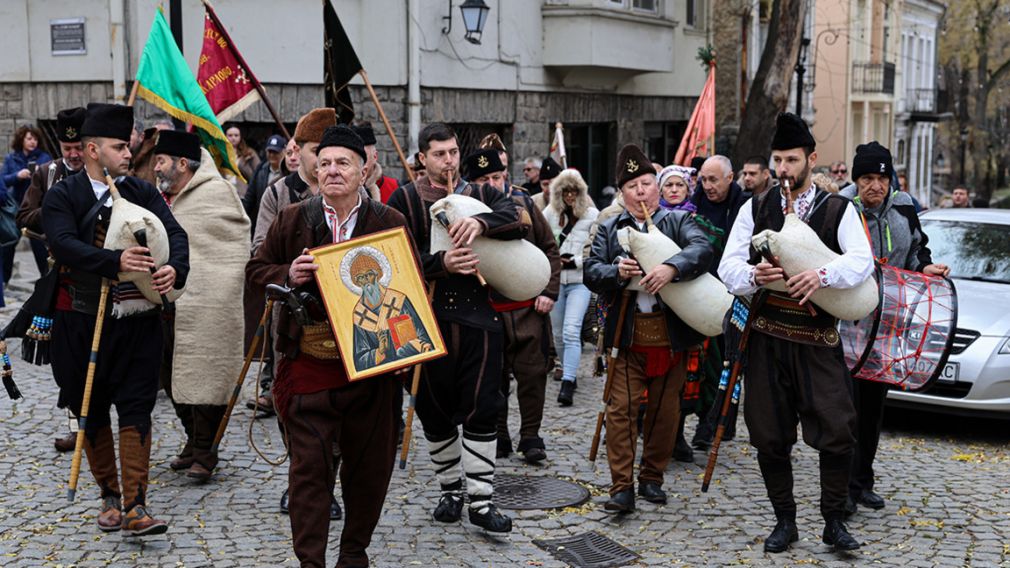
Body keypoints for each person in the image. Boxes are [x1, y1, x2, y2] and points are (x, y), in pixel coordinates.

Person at [247, 125, 405, 567]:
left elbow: (411, 292)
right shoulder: (294, 218)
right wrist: (286, 274)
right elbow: (256, 269)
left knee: (369, 472)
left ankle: (353, 555)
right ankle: (311, 563)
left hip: (374, 367)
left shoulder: (389, 223)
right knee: (309, 475)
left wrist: (405, 353)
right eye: (326, 162)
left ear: (364, 169)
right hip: (310, 363)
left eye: (343, 163)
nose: (332, 170)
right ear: (314, 168)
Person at [719, 112, 873, 553]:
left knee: (839, 430)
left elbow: (861, 261)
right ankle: (784, 521)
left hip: (817, 339)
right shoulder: (755, 206)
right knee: (768, 433)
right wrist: (755, 275)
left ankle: (834, 521)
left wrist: (821, 275)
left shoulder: (838, 209)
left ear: (811, 159)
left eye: (791, 159)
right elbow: (727, 266)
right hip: (767, 337)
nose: (783, 169)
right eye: (778, 160)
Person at [42, 102, 189, 536]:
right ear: (91, 150)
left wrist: (174, 268)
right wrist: (114, 259)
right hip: (80, 321)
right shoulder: (62, 196)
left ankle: (136, 504)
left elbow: (175, 234)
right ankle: (108, 493)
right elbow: (64, 244)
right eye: (120, 146)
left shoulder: (142, 194)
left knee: (137, 404)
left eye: (129, 146)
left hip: (137, 321)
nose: (129, 153)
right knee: (92, 405)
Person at [387, 123, 527, 532]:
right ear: (422, 159)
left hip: (479, 317)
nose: (448, 161)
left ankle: (481, 502)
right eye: (439, 154)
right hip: (425, 318)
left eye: (452, 153)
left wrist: (481, 224)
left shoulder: (479, 193)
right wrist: (441, 264)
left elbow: (517, 220)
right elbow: (398, 258)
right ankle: (451, 489)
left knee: (483, 405)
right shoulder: (405, 199)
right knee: (434, 410)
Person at [584, 144, 713, 514]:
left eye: (645, 183)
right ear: (621, 194)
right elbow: (591, 271)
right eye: (631, 186)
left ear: (656, 187)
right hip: (626, 336)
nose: (640, 191)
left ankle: (652, 478)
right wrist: (616, 274)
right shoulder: (610, 228)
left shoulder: (679, 222)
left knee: (664, 412)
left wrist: (672, 267)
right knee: (620, 410)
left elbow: (702, 250)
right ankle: (621, 487)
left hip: (671, 335)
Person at [838, 142, 948, 517]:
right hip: (846, 324)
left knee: (872, 408)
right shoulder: (840, 209)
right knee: (847, 409)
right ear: (856, 180)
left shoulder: (904, 207)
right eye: (867, 178)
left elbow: (918, 250)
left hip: (888, 325)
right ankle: (843, 488)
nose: (875, 186)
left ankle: (863, 481)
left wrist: (925, 267)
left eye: (881, 178)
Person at [151, 130, 249, 482]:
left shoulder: (216, 193)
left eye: (161, 161)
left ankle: (207, 450)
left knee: (207, 373)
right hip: (166, 303)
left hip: (208, 303)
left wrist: (214, 288)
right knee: (169, 374)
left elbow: (231, 246)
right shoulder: (162, 198)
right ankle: (193, 440)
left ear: (182, 163)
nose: (156, 167)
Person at [462, 149, 560, 464]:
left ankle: (531, 435)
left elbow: (549, 249)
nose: (491, 184)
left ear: (505, 176)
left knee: (533, 374)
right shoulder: (463, 214)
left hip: (529, 308)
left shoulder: (525, 205)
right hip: (488, 310)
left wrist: (549, 291)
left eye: (496, 177)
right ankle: (500, 435)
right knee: (494, 378)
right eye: (482, 179)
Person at [15, 107, 87, 454]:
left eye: (78, 148)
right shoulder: (46, 173)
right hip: (56, 281)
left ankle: (99, 420)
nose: (73, 155)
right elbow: (24, 216)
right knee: (65, 357)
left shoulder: (102, 173)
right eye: (67, 148)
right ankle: (77, 425)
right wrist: (57, 210)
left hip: (95, 278)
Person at [543, 168, 599, 407]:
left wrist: (574, 261)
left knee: (571, 330)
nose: (569, 196)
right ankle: (568, 370)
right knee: (557, 334)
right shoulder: (549, 214)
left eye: (573, 192)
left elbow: (596, 250)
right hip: (556, 279)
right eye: (565, 191)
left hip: (579, 280)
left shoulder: (592, 214)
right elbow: (541, 241)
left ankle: (568, 381)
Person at [2, 124, 53, 280]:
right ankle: (4, 281)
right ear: (21, 139)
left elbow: (52, 180)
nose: (33, 142)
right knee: (7, 246)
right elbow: (3, 180)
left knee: (40, 248)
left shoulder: (44, 158)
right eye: (29, 138)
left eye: (35, 139)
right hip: (15, 209)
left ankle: (46, 279)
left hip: (35, 209)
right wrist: (18, 175)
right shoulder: (12, 158)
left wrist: (40, 173)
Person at [244, 134, 287, 223]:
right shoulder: (260, 169)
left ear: (284, 152)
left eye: (275, 152)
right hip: (263, 218)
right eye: (269, 152)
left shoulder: (288, 172)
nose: (272, 155)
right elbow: (250, 195)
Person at [352, 123, 399, 203]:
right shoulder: (342, 188)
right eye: (353, 157)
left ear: (375, 156)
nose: (359, 162)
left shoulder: (394, 188)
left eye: (364, 156)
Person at [224, 124, 260, 196]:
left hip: (242, 192)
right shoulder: (221, 153)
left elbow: (258, 174)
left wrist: (243, 166)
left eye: (236, 135)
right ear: (225, 136)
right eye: (230, 135)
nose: (233, 138)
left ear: (240, 137)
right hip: (225, 191)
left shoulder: (249, 153)